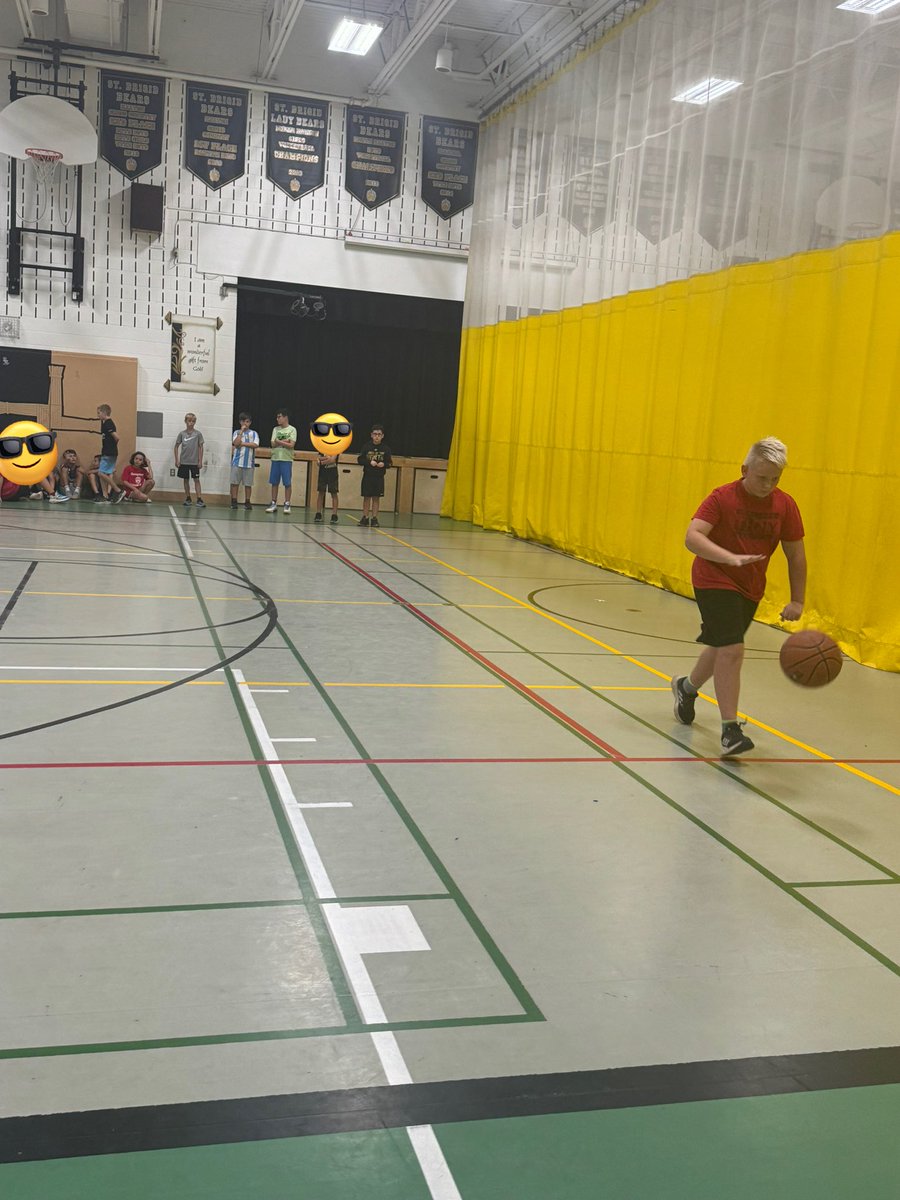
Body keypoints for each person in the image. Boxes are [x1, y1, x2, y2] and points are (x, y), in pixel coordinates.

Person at [672, 437, 806, 758]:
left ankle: (686, 689)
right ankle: (730, 730)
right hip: (713, 577)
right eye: (762, 478)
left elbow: (796, 555)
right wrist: (726, 557)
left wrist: (798, 600)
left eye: (775, 479)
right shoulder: (721, 498)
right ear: (744, 469)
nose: (768, 485)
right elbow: (693, 537)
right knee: (732, 648)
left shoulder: (785, 505)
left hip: (750, 586)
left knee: (722, 646)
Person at [357, 424, 392, 527]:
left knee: (376, 498)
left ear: (382, 436)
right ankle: (365, 517)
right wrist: (369, 462)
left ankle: (374, 518)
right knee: (366, 497)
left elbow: (390, 463)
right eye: (375, 434)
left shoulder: (386, 449)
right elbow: (360, 459)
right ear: (371, 435)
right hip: (368, 476)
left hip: (379, 477)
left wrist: (384, 464)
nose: (377, 436)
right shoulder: (367, 446)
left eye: (379, 434)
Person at [266, 410, 297, 514]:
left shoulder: (292, 429)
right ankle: (273, 503)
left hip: (286, 459)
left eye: (279, 417)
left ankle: (287, 503)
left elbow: (291, 444)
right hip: (275, 459)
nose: (277, 419)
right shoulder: (275, 429)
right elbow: (272, 443)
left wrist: (278, 441)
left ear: (285, 417)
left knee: (287, 483)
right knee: (274, 482)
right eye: (277, 417)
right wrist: (284, 442)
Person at [174, 413, 205, 507]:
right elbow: (176, 447)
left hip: (194, 462)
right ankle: (188, 498)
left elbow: (200, 447)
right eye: (189, 421)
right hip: (184, 461)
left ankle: (199, 499)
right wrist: (177, 460)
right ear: (185, 421)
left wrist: (200, 460)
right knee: (186, 480)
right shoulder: (182, 434)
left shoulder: (198, 434)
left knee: (196, 479)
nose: (191, 423)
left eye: (193, 421)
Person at [97, 404, 125, 503]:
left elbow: (117, 437)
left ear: (104, 413)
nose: (98, 415)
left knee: (100, 473)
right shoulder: (105, 423)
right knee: (103, 473)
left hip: (109, 452)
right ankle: (105, 496)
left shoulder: (109, 423)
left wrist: (111, 446)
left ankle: (118, 490)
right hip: (106, 451)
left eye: (99, 413)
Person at [230, 413, 258, 510]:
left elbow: (255, 444)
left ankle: (247, 501)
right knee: (234, 483)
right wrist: (241, 432)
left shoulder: (254, 433)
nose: (245, 424)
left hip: (249, 463)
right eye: (243, 421)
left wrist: (243, 443)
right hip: (237, 462)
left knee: (248, 484)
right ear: (240, 422)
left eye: (247, 422)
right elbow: (236, 443)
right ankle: (234, 501)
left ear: (250, 422)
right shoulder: (236, 432)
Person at [314, 450, 340, 523]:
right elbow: (318, 458)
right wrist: (325, 458)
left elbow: (332, 460)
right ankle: (318, 513)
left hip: (333, 473)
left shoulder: (336, 448)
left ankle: (334, 515)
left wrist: (322, 461)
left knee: (334, 493)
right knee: (321, 492)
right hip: (323, 472)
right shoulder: (322, 448)